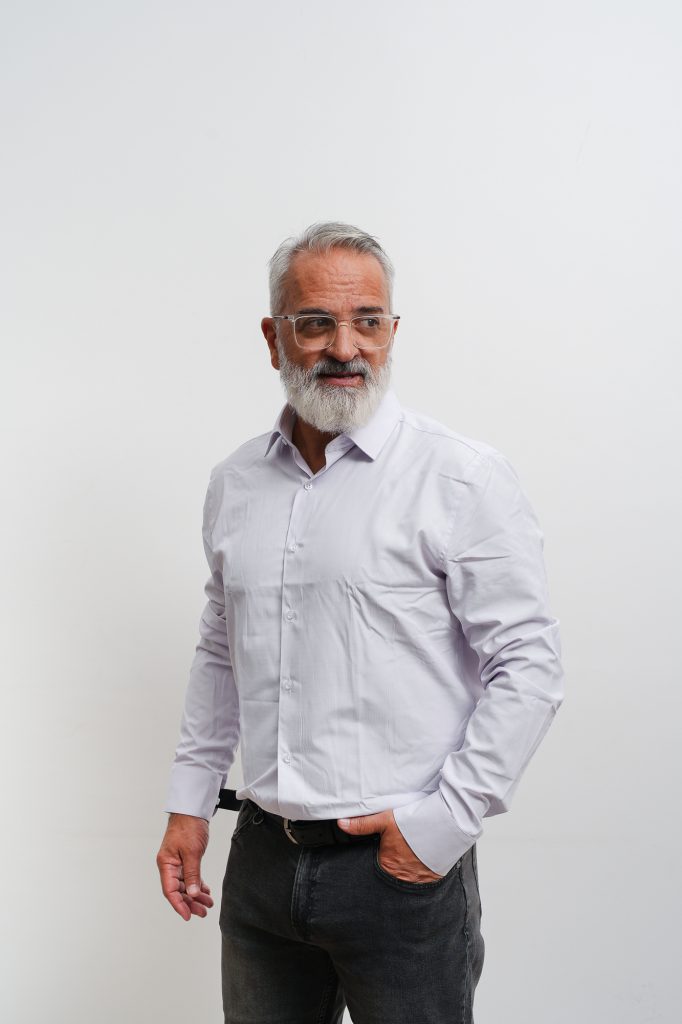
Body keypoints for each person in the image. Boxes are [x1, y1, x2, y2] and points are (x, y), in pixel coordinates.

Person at [156, 221, 564, 1024]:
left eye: (367, 321)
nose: (345, 348)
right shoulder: (237, 482)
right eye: (316, 323)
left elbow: (529, 665)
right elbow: (221, 648)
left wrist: (441, 825)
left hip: (397, 871)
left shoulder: (460, 477)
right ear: (273, 336)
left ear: (392, 331)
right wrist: (188, 804)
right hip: (261, 861)